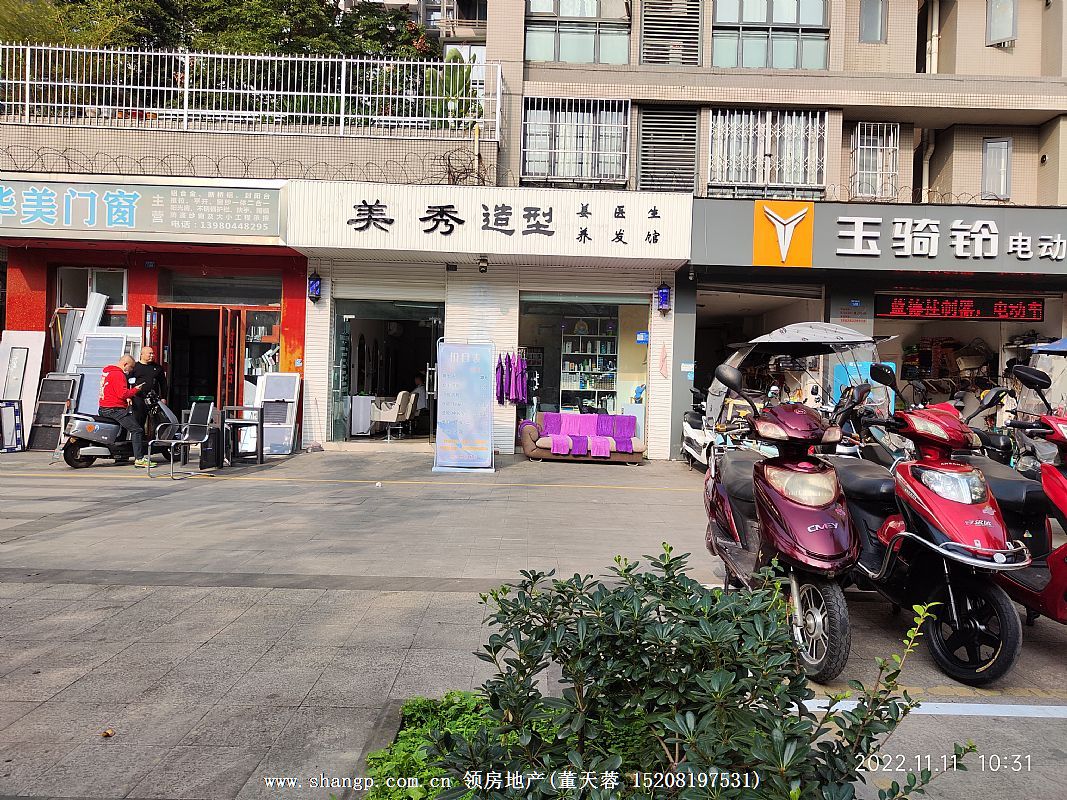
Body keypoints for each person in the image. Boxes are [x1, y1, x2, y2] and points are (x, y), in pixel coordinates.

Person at [99, 355, 147, 467]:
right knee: (137, 430)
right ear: (125, 364)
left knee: (122, 431)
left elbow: (112, 390)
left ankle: (120, 456)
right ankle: (139, 459)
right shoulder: (119, 374)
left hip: (103, 407)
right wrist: (136, 389)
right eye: (131, 367)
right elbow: (123, 394)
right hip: (114, 409)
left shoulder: (107, 372)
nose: (131, 370)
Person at [131, 346, 167, 432]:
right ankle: (140, 439)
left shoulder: (158, 368)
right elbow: (127, 382)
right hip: (138, 398)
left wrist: (163, 398)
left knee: (157, 422)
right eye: (150, 353)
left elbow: (163, 384)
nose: (152, 355)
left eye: (153, 353)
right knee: (139, 421)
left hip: (153, 399)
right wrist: (128, 397)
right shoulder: (135, 367)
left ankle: (155, 439)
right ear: (142, 354)